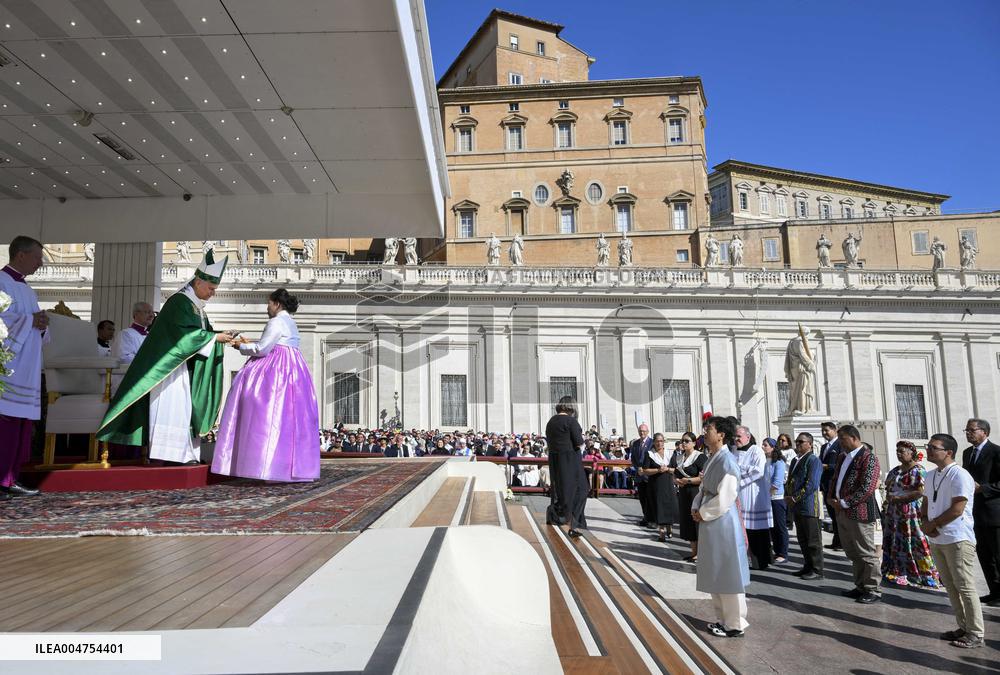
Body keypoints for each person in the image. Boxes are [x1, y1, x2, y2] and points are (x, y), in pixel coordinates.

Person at [98, 250, 234, 464]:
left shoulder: (196, 307)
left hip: (183, 365)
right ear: (198, 282)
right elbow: (182, 335)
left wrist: (219, 336)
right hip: (169, 369)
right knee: (174, 405)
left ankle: (186, 453)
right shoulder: (179, 302)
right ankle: (171, 454)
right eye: (211, 288)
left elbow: (202, 333)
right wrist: (215, 338)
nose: (212, 293)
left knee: (185, 407)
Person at [210, 289, 319, 481]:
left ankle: (258, 465)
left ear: (277, 304)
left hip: (276, 370)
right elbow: (275, 344)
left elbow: (262, 349)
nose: (267, 308)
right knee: (287, 420)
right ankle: (284, 468)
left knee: (261, 411)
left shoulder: (276, 321)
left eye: (268, 303)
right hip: (294, 370)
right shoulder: (291, 322)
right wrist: (251, 344)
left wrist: (240, 346)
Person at [923, 433, 985, 649]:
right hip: (937, 537)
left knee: (965, 586)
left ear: (948, 452)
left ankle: (976, 632)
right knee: (950, 585)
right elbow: (926, 501)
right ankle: (964, 626)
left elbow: (958, 507)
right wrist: (924, 522)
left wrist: (934, 524)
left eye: (933, 447)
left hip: (957, 537)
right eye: (928, 446)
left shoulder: (960, 475)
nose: (929, 450)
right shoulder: (931, 475)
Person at [0, 236, 49, 500]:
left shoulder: (28, 290)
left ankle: (11, 477)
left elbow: (32, 324)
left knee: (20, 424)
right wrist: (31, 320)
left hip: (27, 367)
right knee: (6, 423)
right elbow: (2, 321)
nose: (40, 263)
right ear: (20, 255)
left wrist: (41, 323)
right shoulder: (1, 282)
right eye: (37, 257)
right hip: (8, 366)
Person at [693, 416, 750, 637]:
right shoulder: (712, 458)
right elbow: (704, 488)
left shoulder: (727, 461)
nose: (705, 432)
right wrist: (696, 506)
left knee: (728, 572)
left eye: (709, 429)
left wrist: (703, 512)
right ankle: (722, 619)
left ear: (721, 435)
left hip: (723, 522)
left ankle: (735, 624)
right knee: (715, 570)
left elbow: (726, 497)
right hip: (710, 522)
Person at [829, 425, 882, 604]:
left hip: (859, 513)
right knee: (852, 552)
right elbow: (835, 479)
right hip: (841, 511)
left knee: (866, 552)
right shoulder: (842, 457)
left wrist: (845, 502)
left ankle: (873, 589)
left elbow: (867, 487)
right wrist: (831, 497)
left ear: (854, 438)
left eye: (842, 439)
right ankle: (860, 585)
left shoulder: (868, 457)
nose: (840, 443)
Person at [882, 441, 939, 588]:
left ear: (911, 453)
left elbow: (920, 491)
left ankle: (923, 573)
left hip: (911, 512)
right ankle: (898, 570)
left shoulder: (918, 470)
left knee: (915, 539)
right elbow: (888, 487)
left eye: (902, 451)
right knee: (896, 540)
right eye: (897, 451)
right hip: (894, 512)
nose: (899, 454)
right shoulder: (895, 471)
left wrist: (899, 498)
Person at [961, 418, 1000, 604]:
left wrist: (982, 488)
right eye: (967, 430)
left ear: (984, 432)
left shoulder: (996, 452)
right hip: (974, 513)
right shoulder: (967, 453)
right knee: (985, 556)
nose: (968, 433)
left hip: (994, 514)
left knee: (998, 554)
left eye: (972, 430)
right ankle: (994, 591)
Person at [545, 396, 588, 536]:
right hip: (571, 461)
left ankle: (555, 515)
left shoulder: (551, 422)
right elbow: (579, 442)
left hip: (556, 461)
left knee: (561, 492)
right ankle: (573, 524)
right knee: (581, 491)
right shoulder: (571, 421)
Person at [786, 432, 824, 580]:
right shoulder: (795, 460)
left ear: (810, 444)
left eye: (801, 442)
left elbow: (812, 484)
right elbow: (791, 480)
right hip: (797, 506)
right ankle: (808, 566)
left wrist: (795, 497)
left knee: (813, 540)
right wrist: (788, 495)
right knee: (802, 538)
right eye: (797, 441)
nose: (798, 444)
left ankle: (817, 569)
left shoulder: (813, 460)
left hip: (809, 506)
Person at [734, 425, 773, 570]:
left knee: (757, 530)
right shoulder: (734, 451)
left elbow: (759, 471)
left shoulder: (756, 450)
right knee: (745, 530)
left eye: (739, 436)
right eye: (735, 436)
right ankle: (749, 559)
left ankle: (762, 561)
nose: (736, 439)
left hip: (754, 495)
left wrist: (740, 479)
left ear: (748, 437)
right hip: (740, 496)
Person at [640, 432, 679, 542]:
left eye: (661, 441)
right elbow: (645, 470)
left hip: (668, 484)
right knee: (659, 507)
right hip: (656, 485)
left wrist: (668, 469)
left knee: (669, 505)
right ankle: (661, 532)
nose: (659, 443)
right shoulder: (650, 454)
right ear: (654, 442)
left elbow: (676, 469)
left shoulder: (670, 453)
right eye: (657, 441)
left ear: (664, 442)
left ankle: (669, 527)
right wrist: (658, 470)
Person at [673, 431, 706, 562]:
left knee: (696, 521)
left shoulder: (700, 457)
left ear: (693, 443)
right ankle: (693, 552)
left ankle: (701, 553)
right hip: (683, 493)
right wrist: (676, 481)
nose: (684, 443)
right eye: (682, 441)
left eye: (687, 441)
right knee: (687, 521)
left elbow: (704, 477)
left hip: (695, 492)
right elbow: (675, 473)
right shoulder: (679, 458)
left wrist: (688, 480)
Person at [818, 421, 842, 550]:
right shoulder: (824, 447)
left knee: (837, 515)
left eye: (826, 430)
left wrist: (827, 466)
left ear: (834, 430)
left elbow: (840, 464)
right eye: (823, 431)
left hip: (835, 484)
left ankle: (841, 542)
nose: (824, 433)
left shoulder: (839, 444)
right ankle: (836, 541)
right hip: (826, 485)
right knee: (833, 516)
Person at [766, 439, 789, 564]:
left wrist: (768, 493)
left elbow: (777, 482)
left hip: (776, 498)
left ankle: (783, 553)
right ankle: (776, 551)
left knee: (780, 527)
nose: (763, 447)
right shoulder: (765, 461)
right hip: (767, 498)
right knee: (772, 527)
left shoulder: (779, 462)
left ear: (773, 447)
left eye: (765, 445)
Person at [629, 423, 655, 527]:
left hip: (649, 475)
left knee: (650, 498)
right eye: (640, 431)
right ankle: (646, 517)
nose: (642, 433)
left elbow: (654, 457)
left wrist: (645, 469)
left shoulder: (652, 442)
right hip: (639, 475)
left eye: (644, 431)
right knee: (642, 498)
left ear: (647, 432)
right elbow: (633, 459)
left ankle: (653, 520)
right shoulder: (635, 443)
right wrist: (638, 468)